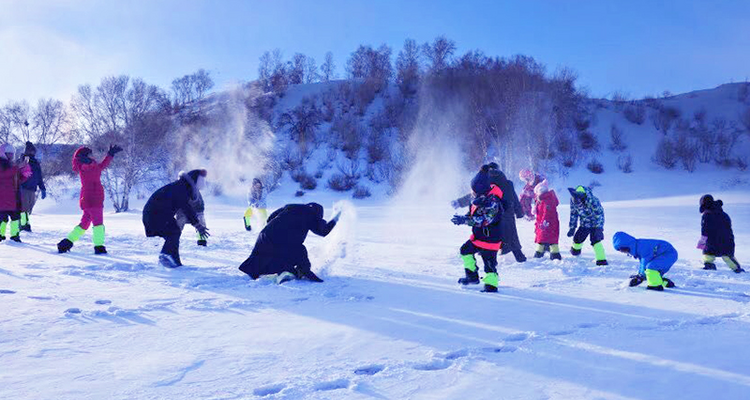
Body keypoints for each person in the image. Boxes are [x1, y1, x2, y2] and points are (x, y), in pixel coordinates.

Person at [239, 202, 339, 283]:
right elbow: (323, 231)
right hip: (284, 240)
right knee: (299, 250)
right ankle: (301, 271)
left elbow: (270, 218)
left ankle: (254, 269)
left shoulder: (289, 207)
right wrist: (336, 218)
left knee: (263, 253)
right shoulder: (311, 214)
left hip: (266, 235)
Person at [452, 163, 526, 262]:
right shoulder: (507, 183)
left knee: (487, 235)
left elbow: (474, 195)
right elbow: (514, 198)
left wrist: (459, 202)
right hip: (507, 214)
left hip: (491, 213)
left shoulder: (486, 183)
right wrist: (519, 212)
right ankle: (520, 258)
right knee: (511, 238)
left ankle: (479, 252)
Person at [57, 145, 122, 254]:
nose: (93, 155)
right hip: (92, 198)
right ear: (85, 156)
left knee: (84, 224)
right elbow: (89, 167)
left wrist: (110, 155)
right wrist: (85, 160)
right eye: (90, 154)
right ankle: (99, 247)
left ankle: (66, 243)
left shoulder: (92, 165)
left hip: (91, 198)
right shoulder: (85, 166)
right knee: (98, 223)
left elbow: (102, 166)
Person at [451, 165, 504, 293]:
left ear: (482, 191)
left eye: (474, 190)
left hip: (491, 238)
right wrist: (463, 217)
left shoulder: (493, 202)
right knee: (465, 250)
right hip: (479, 236)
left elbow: (484, 220)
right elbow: (473, 214)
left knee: (489, 262)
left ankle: (491, 285)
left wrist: (465, 221)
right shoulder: (477, 198)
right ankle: (472, 276)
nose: (472, 193)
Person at [142, 169, 210, 268]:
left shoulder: (182, 187)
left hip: (158, 214)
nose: (203, 184)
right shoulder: (181, 188)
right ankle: (166, 258)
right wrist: (197, 225)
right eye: (202, 180)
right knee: (173, 232)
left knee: (174, 231)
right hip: (155, 214)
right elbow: (186, 208)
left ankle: (173, 260)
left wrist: (197, 224)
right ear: (195, 180)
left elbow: (187, 208)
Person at [613, 231, 677, 291]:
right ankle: (666, 283)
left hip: (668, 253)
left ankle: (655, 286)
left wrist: (640, 277)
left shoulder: (642, 246)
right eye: (620, 250)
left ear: (628, 245)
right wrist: (640, 275)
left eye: (623, 249)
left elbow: (645, 262)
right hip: (664, 254)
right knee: (651, 273)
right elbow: (643, 263)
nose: (623, 252)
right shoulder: (637, 246)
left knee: (651, 267)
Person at [698, 195, 743, 273]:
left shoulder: (707, 215)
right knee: (727, 255)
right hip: (726, 239)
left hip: (712, 241)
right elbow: (728, 227)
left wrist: (702, 242)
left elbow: (705, 230)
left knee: (708, 253)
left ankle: (709, 265)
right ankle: (736, 268)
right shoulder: (724, 214)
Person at [567, 185, 608, 265]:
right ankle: (575, 252)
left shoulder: (593, 201)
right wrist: (572, 227)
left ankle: (601, 259)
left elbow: (599, 214)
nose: (578, 206)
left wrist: (599, 228)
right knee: (577, 238)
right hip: (584, 223)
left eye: (579, 204)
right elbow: (573, 214)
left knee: (595, 240)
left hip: (596, 223)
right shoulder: (573, 200)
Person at [0, 143, 31, 242]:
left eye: (12, 154)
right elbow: (4, 175)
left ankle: (15, 236)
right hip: (3, 197)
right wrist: (18, 167)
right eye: (9, 153)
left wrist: (24, 175)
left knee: (16, 218)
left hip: (14, 197)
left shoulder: (12, 165)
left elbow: (16, 179)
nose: (11, 156)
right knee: (2, 219)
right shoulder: (2, 164)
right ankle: (0, 235)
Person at [174, 171, 208, 247]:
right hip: (182, 212)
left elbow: (200, 203)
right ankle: (173, 240)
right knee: (178, 225)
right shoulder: (177, 188)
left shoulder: (193, 188)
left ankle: (202, 240)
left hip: (196, 210)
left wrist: (199, 211)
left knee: (201, 222)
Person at [18, 141, 46, 232]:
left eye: (34, 151)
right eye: (31, 151)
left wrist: (42, 188)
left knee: (29, 207)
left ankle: (25, 223)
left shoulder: (36, 163)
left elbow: (39, 176)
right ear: (27, 151)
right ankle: (24, 224)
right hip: (23, 187)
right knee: (24, 207)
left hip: (32, 189)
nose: (33, 153)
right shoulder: (23, 160)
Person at [533, 180, 562, 260]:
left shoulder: (547, 200)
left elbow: (547, 213)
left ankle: (539, 255)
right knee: (549, 239)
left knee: (542, 238)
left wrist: (544, 222)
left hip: (547, 224)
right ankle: (554, 254)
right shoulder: (543, 199)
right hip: (547, 223)